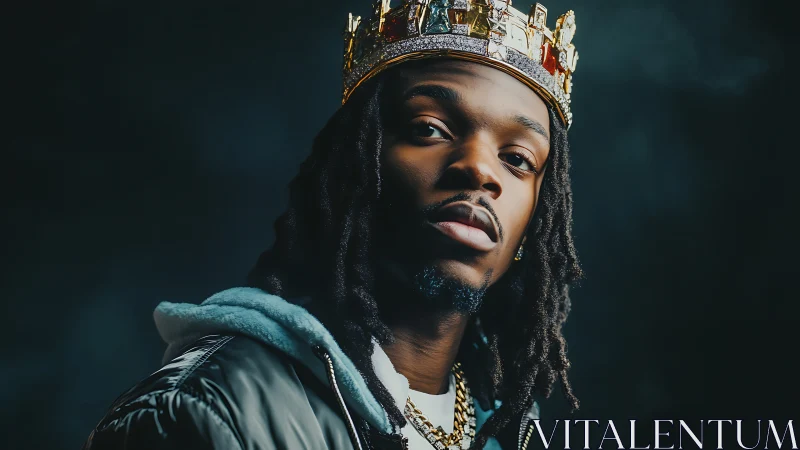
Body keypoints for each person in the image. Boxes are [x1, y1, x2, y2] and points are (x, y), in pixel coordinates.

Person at [83, 1, 582, 449]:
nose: (480, 169)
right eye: (429, 129)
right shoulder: (207, 412)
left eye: (517, 158)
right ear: (353, 169)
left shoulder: (508, 430)